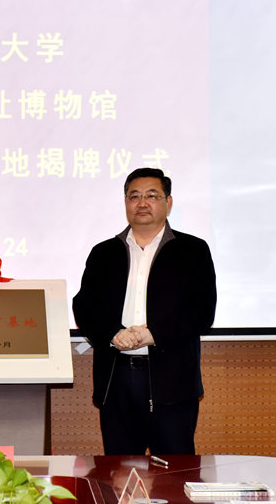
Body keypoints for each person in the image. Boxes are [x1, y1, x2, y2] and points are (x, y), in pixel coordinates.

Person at [72, 168, 216, 455]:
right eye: (134, 196)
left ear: (168, 202)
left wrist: (153, 335)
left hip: (172, 381)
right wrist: (113, 334)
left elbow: (201, 312)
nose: (142, 203)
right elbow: (84, 307)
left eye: (152, 195)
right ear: (126, 202)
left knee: (175, 471)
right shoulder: (104, 253)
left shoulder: (192, 251)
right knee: (119, 471)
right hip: (117, 381)